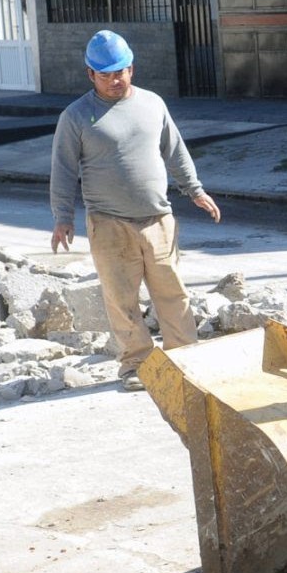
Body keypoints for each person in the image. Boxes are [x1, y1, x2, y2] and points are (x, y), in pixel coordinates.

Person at [49, 29, 222, 392]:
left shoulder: (152, 104)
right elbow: (63, 169)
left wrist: (195, 189)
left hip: (158, 219)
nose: (115, 79)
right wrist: (62, 217)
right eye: (106, 73)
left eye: (121, 71)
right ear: (90, 74)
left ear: (132, 68)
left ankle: (186, 358)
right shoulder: (76, 116)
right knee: (121, 299)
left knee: (172, 293)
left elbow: (174, 150)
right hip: (108, 224)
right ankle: (136, 365)